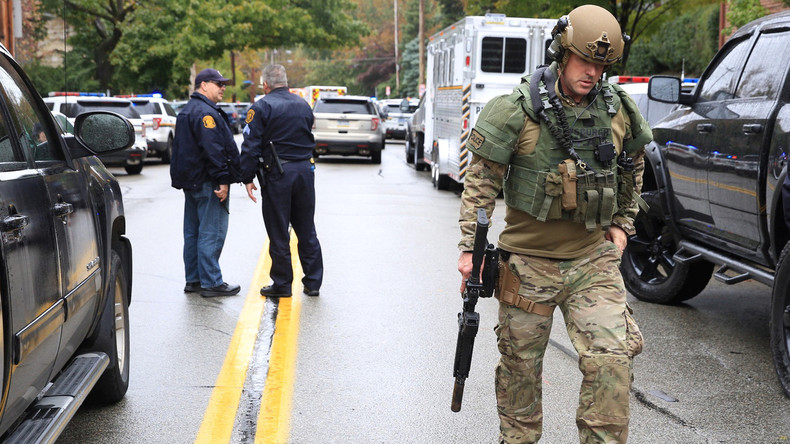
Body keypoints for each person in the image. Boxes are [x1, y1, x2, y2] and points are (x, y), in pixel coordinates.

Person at [457, 5, 651, 443]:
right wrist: (470, 251)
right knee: (520, 369)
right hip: (527, 266)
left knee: (611, 361)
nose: (592, 72)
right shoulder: (515, 110)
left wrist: (621, 224)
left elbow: (633, 167)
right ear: (561, 55)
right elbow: (481, 185)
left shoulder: (617, 110)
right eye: (584, 61)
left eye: (601, 65)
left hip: (591, 260)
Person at [240, 64, 323, 298]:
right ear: (285, 82)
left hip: (278, 174)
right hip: (306, 172)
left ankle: (282, 284)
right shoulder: (303, 105)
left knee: (279, 231)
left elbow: (250, 146)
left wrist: (246, 177)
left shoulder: (262, 107)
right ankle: (313, 282)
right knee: (306, 228)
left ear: (265, 85)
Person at [171, 68, 241, 298]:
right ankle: (212, 282)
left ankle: (194, 279)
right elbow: (214, 151)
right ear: (203, 85)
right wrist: (223, 180)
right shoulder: (206, 113)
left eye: (224, 84)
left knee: (192, 233)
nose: (223, 88)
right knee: (212, 232)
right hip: (208, 181)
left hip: (191, 182)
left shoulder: (187, 111)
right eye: (218, 83)